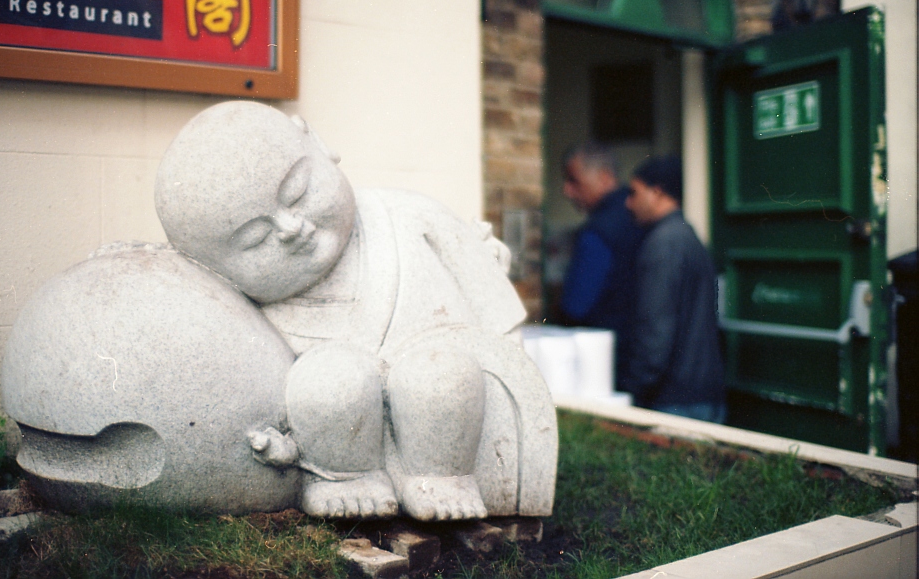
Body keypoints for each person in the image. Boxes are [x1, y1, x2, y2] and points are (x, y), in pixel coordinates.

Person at [154, 101, 557, 521]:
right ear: (216, 272)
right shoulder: (246, 316)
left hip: (449, 391)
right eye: (256, 238)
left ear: (318, 144)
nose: (290, 228)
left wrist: (512, 372)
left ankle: (443, 479)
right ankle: (346, 479)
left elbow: (494, 307)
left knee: (441, 374)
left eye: (297, 193)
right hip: (336, 433)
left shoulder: (409, 216)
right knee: (326, 380)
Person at [623, 156, 726, 423]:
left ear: (657, 193)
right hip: (703, 395)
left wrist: (634, 391)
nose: (628, 203)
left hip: (676, 402)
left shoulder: (663, 244)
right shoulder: (688, 236)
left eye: (634, 193)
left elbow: (655, 331)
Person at [560, 144, 645, 388]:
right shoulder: (645, 221)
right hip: (644, 363)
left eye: (574, 181)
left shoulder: (598, 232)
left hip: (606, 364)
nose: (567, 190)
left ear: (605, 178)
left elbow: (576, 306)